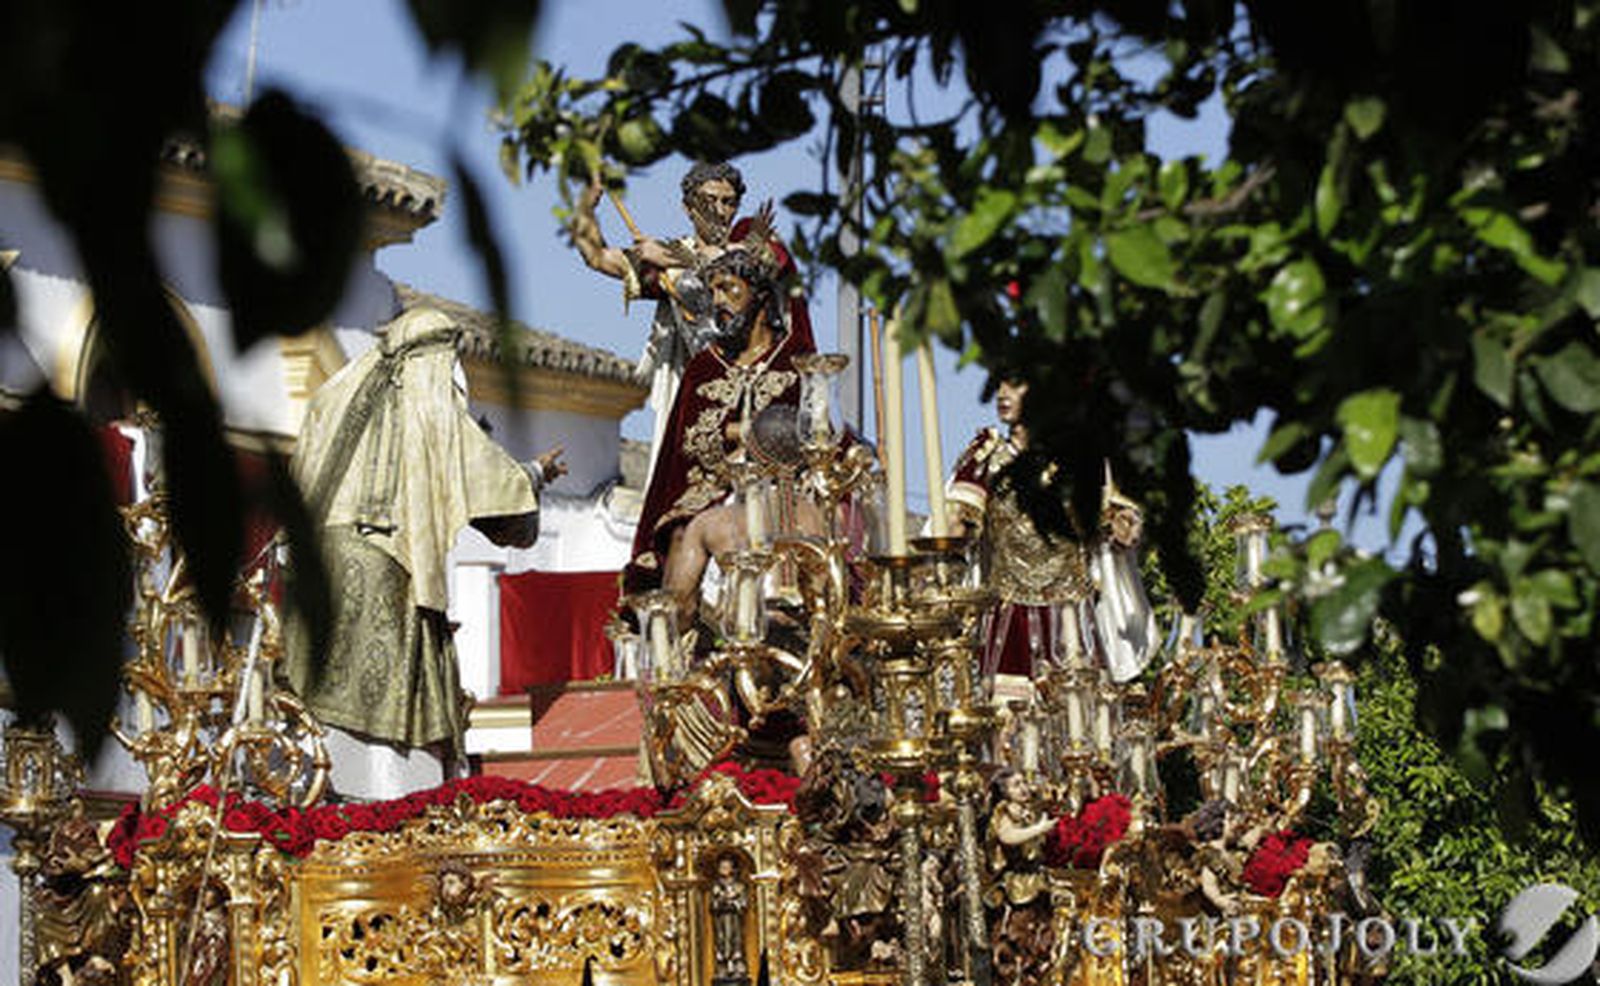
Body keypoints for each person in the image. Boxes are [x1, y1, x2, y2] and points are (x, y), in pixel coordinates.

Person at [280, 306, 566, 799]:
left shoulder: (334, 398)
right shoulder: (428, 402)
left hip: (318, 566)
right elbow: (494, 495)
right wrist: (535, 475)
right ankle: (388, 800)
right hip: (388, 567)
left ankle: (316, 792)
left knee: (316, 701)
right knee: (392, 721)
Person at [568, 161, 813, 480]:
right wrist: (587, 204)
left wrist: (669, 256)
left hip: (762, 393)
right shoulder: (672, 269)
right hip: (703, 396)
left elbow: (746, 260)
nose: (719, 211)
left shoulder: (754, 241)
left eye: (728, 202)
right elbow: (598, 257)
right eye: (708, 200)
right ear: (688, 207)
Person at [623, 246, 815, 612]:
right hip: (712, 485)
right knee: (682, 534)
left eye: (729, 289)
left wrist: (763, 438)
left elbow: (808, 429)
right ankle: (676, 645)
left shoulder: (793, 359)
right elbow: (688, 441)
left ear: (758, 294)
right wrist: (744, 432)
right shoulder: (703, 368)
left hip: (782, 484)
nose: (718, 301)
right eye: (713, 291)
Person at [945, 377, 1155, 682]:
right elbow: (958, 519)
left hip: (1070, 613)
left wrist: (1124, 526)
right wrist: (952, 534)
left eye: (1015, 385)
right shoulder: (987, 454)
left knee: (1081, 715)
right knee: (1004, 715)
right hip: (1007, 616)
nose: (1002, 395)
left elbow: (1119, 519)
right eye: (999, 386)